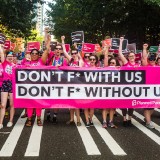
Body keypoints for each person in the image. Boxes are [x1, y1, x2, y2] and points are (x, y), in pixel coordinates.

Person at [24, 35, 51, 127]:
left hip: (39, 87)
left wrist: (48, 41)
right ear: (30, 54)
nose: (34, 55)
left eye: (36, 53)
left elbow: (47, 51)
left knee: (38, 103)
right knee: (29, 103)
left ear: (38, 55)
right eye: (33, 53)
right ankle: (29, 119)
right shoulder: (26, 62)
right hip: (28, 86)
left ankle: (39, 118)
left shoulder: (41, 61)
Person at [61, 35, 84, 126]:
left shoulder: (80, 62)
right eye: (72, 53)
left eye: (75, 53)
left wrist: (76, 47)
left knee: (76, 104)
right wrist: (63, 40)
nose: (74, 55)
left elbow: (81, 68)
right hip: (69, 85)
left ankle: (78, 120)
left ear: (77, 53)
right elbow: (64, 51)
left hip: (77, 85)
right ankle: (71, 120)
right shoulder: (70, 60)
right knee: (70, 104)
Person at [118, 37, 139, 127]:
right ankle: (124, 119)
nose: (131, 57)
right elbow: (120, 53)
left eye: (132, 56)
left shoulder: (139, 65)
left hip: (134, 88)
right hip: (125, 87)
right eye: (130, 56)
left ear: (135, 57)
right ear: (128, 57)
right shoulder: (126, 63)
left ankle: (129, 119)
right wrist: (121, 42)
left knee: (132, 104)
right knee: (124, 103)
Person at [46, 43, 68, 124]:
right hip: (49, 82)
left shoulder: (64, 60)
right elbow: (47, 48)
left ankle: (55, 116)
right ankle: (48, 114)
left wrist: (61, 67)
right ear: (54, 50)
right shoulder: (51, 57)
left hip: (59, 83)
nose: (58, 50)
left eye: (59, 49)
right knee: (48, 99)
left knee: (56, 100)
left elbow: (66, 70)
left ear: (61, 51)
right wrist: (46, 36)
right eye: (56, 49)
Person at [102, 45, 120, 128]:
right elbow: (106, 57)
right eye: (110, 63)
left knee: (112, 108)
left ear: (116, 64)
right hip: (106, 90)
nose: (111, 64)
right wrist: (107, 49)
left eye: (113, 63)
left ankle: (111, 121)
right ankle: (104, 121)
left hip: (114, 91)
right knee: (105, 107)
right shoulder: (106, 68)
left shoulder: (119, 69)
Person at [0, 48, 15, 129]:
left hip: (12, 85)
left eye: (12, 56)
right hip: (5, 84)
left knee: (12, 104)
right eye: (9, 56)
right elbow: (1, 52)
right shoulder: (4, 63)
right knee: (3, 105)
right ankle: (0, 123)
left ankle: (11, 120)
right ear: (6, 57)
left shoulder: (15, 66)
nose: (10, 57)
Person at [142, 43, 156, 129]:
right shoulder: (147, 66)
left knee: (152, 106)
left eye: (153, 58)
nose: (152, 60)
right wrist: (144, 49)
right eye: (150, 59)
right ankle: (148, 122)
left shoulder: (158, 67)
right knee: (147, 106)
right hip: (147, 90)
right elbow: (144, 58)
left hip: (155, 91)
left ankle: (146, 118)